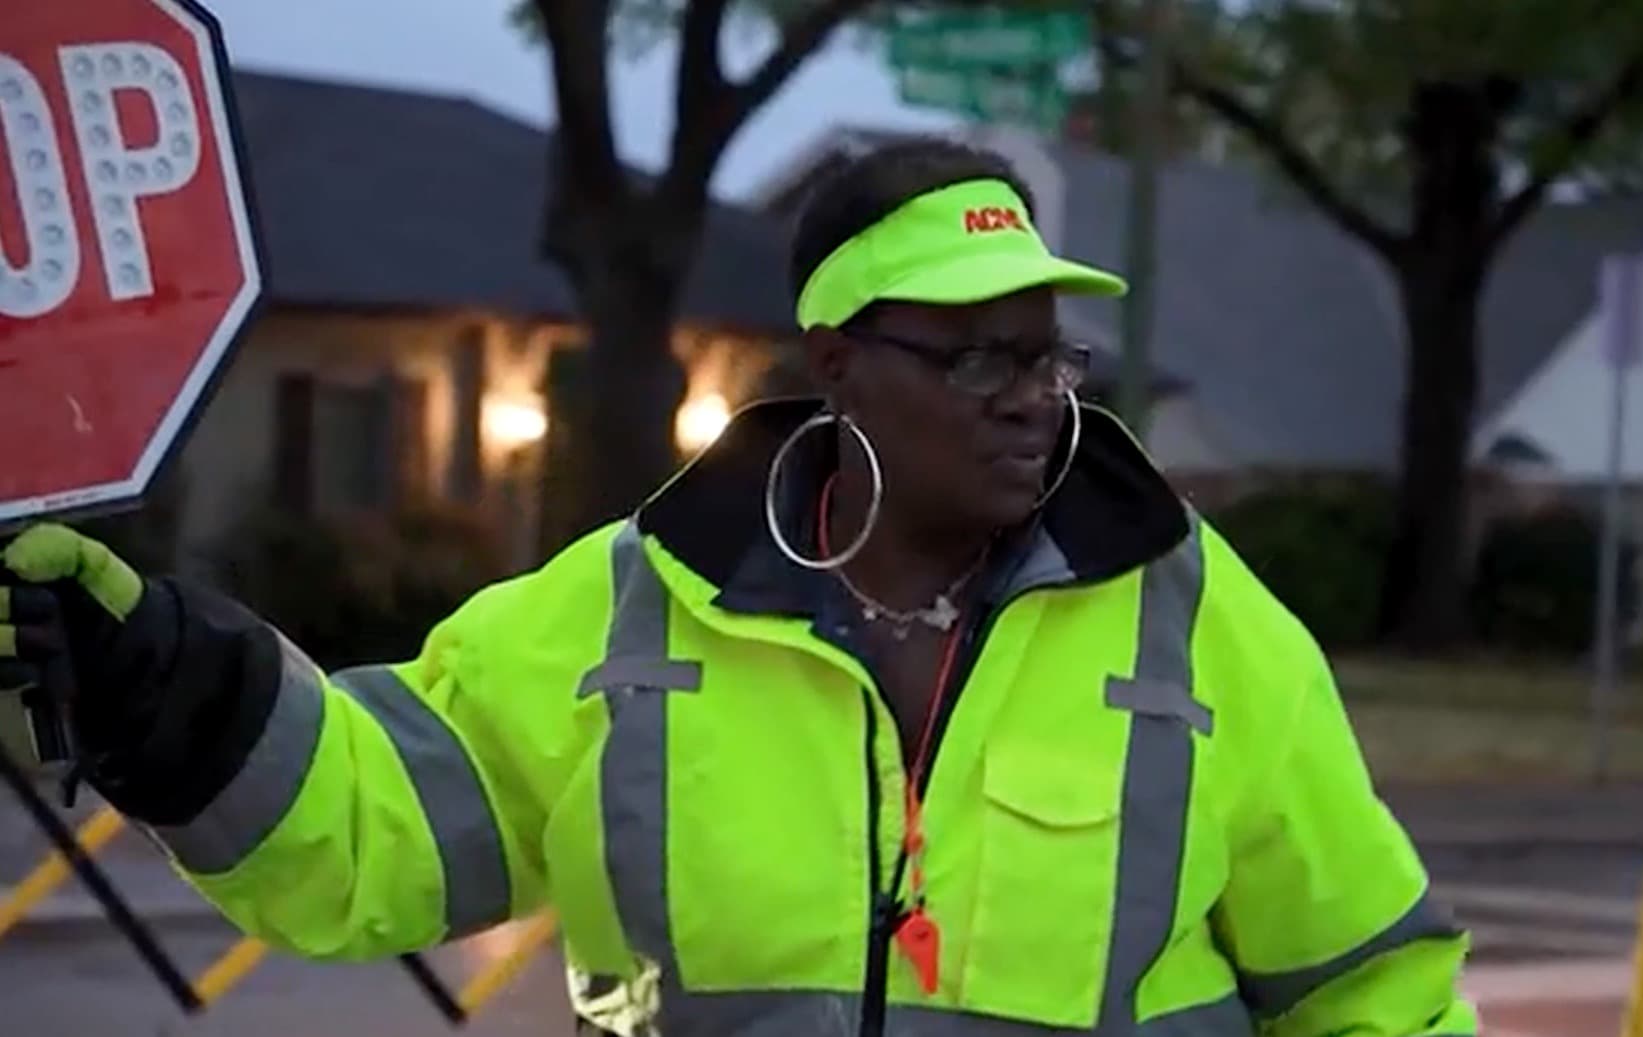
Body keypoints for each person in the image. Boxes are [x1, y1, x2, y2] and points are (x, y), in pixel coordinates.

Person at [0, 138, 1476, 1036]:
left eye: (1049, 355)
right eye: (979, 357)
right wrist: (164, 686)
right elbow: (368, 834)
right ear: (838, 365)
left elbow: (1375, 992)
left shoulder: (1200, 621)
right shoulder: (625, 612)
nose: (1035, 397)